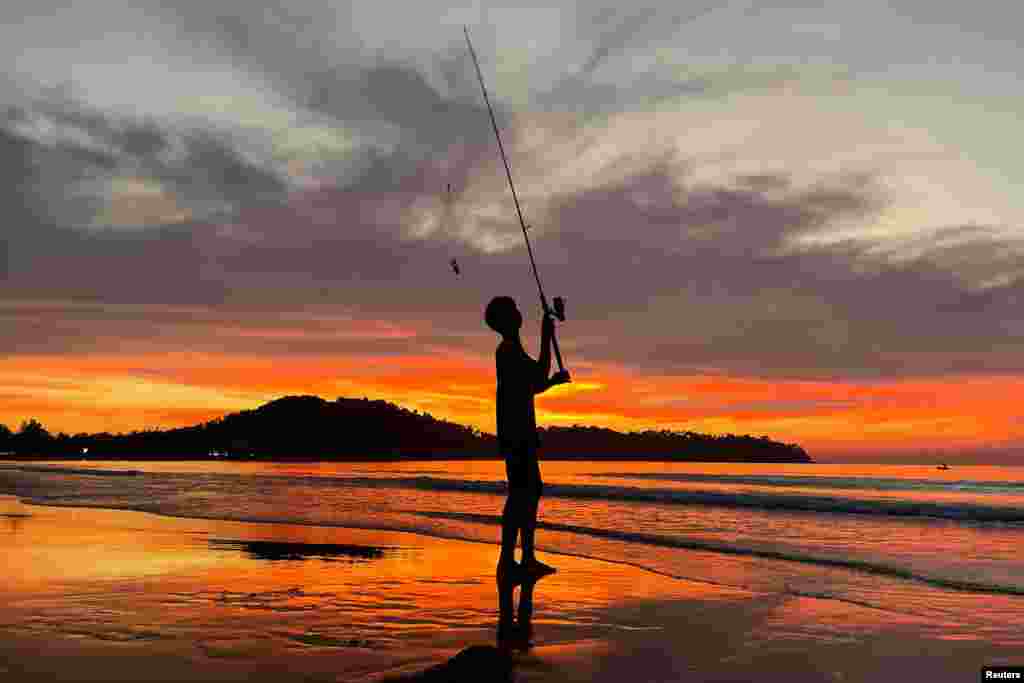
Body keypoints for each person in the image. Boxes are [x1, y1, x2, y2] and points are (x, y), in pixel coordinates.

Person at [485, 296, 569, 593]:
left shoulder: (512, 350)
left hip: (518, 432)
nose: (519, 313)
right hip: (516, 434)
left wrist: (554, 382)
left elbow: (531, 385)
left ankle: (523, 559)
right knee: (524, 493)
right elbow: (536, 375)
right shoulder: (507, 350)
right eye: (514, 310)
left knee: (527, 493)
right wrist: (546, 335)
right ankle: (509, 562)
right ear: (508, 320)